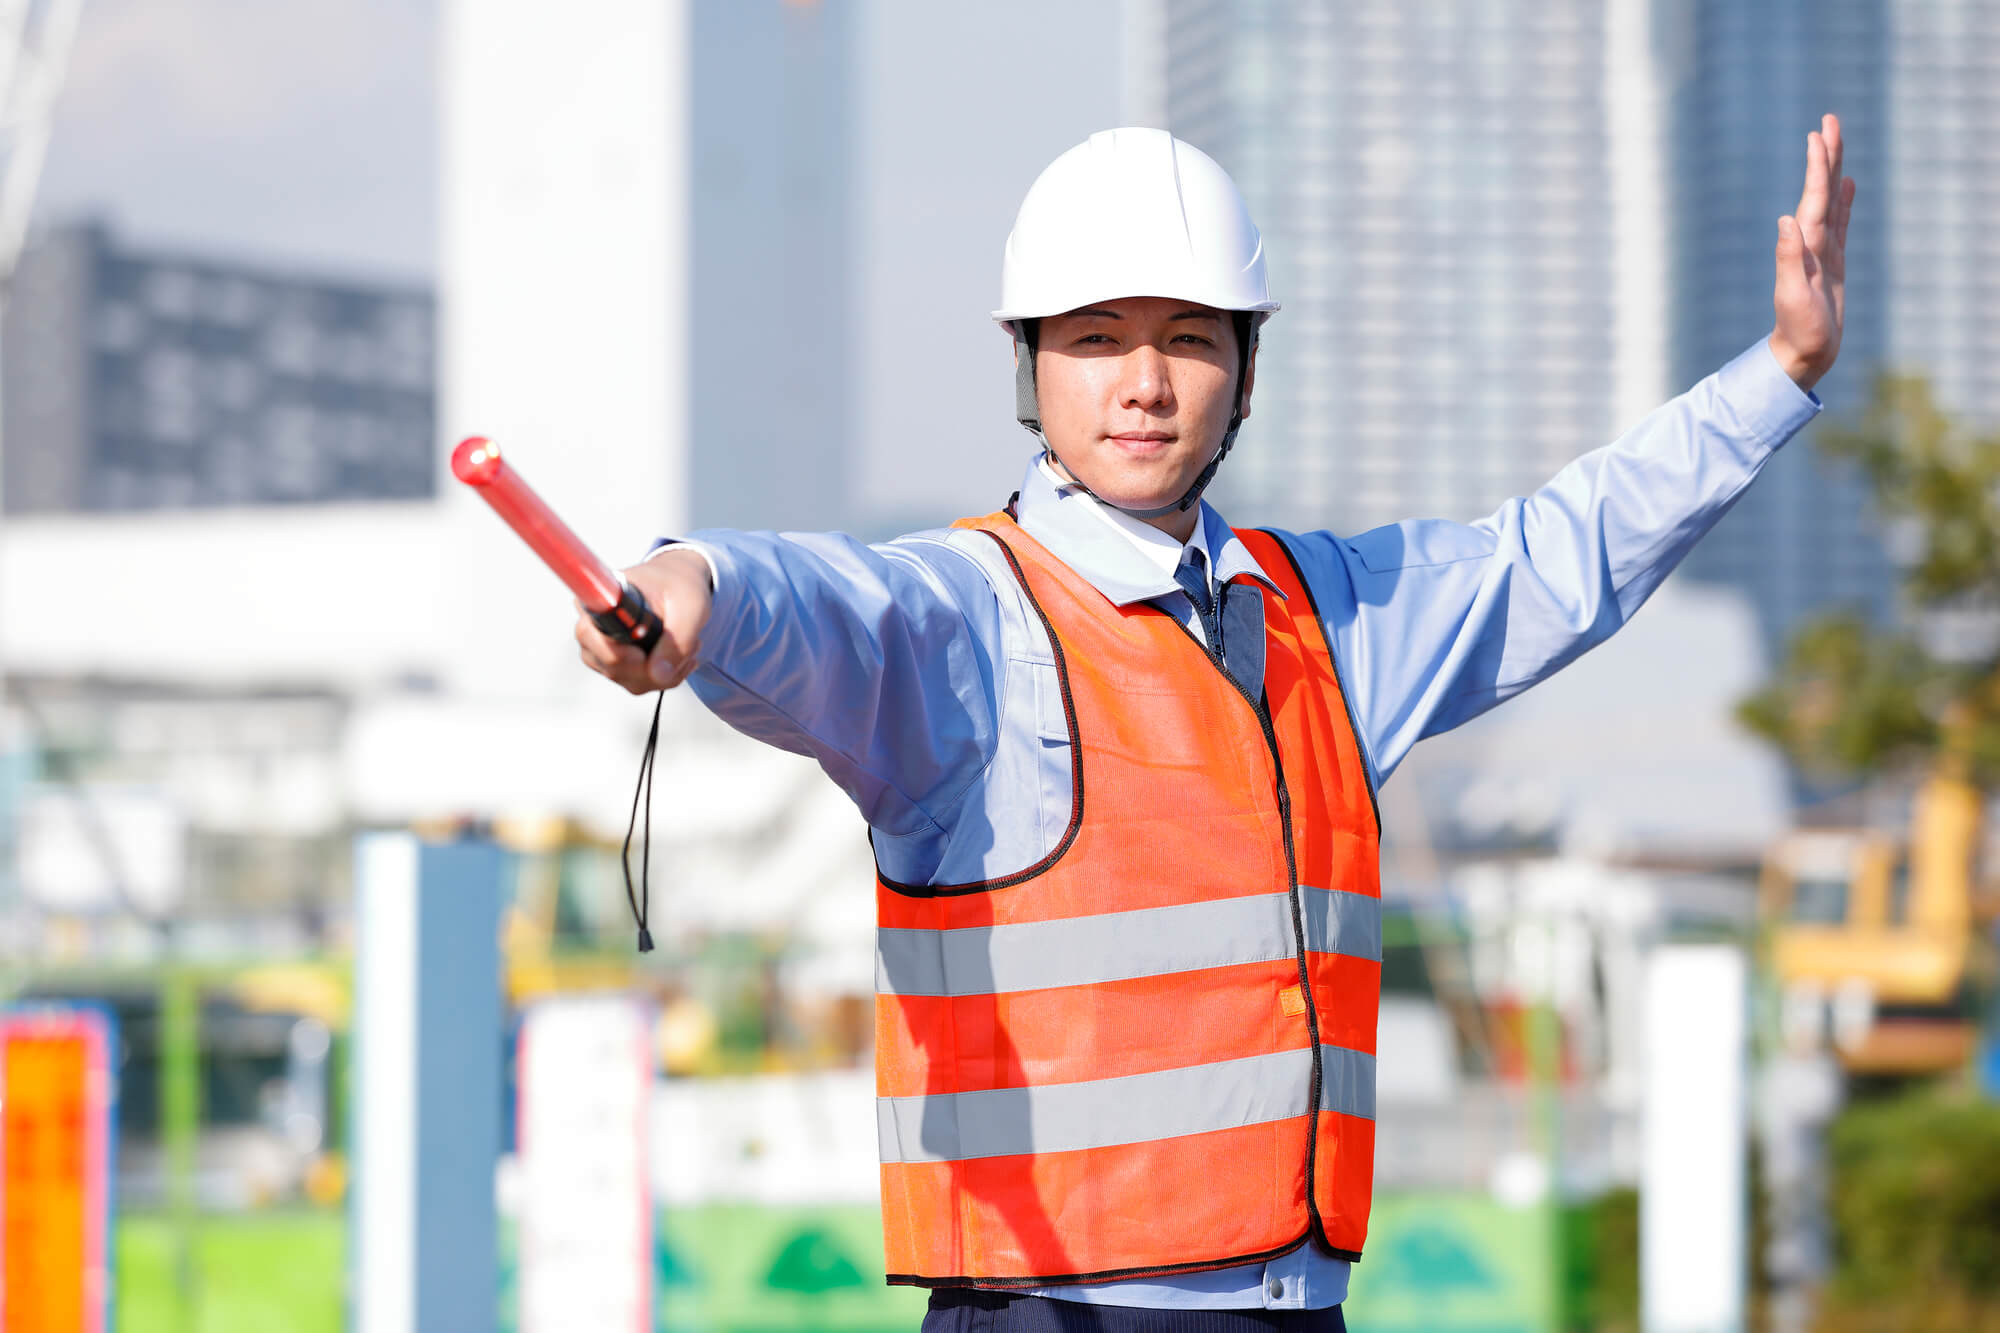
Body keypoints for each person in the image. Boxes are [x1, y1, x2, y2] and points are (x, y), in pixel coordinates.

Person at [577, 119, 1856, 1332]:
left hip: (1294, 1305)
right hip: (1049, 1310)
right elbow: (811, 602)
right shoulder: (970, 617)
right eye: (1094, 339)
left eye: (1187, 338)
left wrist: (1776, 374)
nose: (1142, 383)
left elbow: (1555, 555)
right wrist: (685, 593)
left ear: (1245, 367)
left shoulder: (1329, 620)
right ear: (1030, 363)